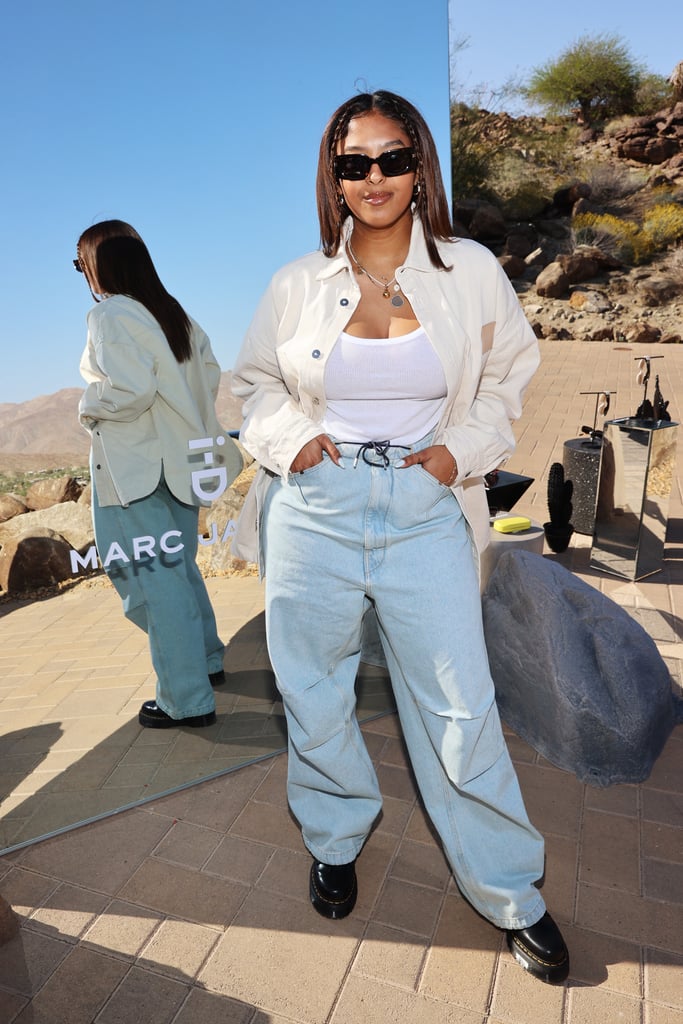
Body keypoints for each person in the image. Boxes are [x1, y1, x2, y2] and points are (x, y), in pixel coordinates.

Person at [231, 91, 569, 984]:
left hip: (423, 506)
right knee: (313, 692)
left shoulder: (469, 272)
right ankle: (336, 838)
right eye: (354, 163)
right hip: (317, 509)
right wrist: (292, 444)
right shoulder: (295, 284)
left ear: (420, 166)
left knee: (460, 706)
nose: (373, 178)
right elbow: (253, 385)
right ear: (333, 178)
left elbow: (506, 379)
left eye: (391, 158)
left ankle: (509, 891)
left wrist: (451, 457)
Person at [75, 219, 242, 729]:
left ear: (99, 265)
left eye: (81, 264)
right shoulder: (177, 315)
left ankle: (184, 697)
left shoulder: (111, 316)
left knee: (148, 583)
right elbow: (206, 381)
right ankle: (205, 661)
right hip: (184, 466)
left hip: (137, 473)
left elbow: (128, 391)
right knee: (180, 569)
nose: (83, 275)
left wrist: (88, 403)